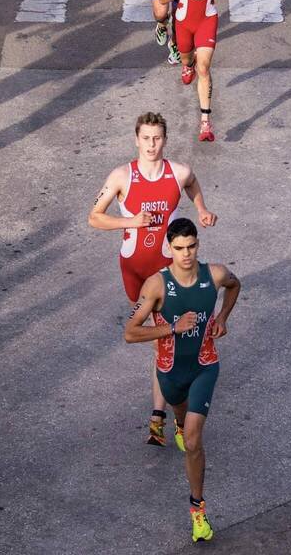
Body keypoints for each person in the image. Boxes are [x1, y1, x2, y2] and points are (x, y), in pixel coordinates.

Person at [88, 112, 218, 445]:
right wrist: (130, 221)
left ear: (165, 139)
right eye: (145, 138)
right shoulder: (121, 177)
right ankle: (168, 411)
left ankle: (161, 417)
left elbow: (192, 184)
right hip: (133, 269)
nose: (151, 144)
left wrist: (201, 208)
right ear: (136, 139)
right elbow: (94, 218)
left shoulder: (179, 172)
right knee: (161, 339)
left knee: (166, 340)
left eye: (157, 138)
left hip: (166, 268)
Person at [124, 217, 240, 545]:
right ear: (169, 249)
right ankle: (175, 423)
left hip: (205, 365)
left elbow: (235, 285)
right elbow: (130, 332)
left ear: (197, 245)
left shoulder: (214, 275)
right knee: (180, 414)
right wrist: (170, 328)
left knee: (192, 440)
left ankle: (198, 511)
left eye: (191, 247)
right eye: (179, 248)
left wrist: (221, 318)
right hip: (170, 372)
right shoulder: (156, 285)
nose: (186, 254)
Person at [159, 0, 231, 142]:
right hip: (183, 22)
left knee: (204, 66)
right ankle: (186, 64)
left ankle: (205, 122)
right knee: (187, 57)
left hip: (207, 20)